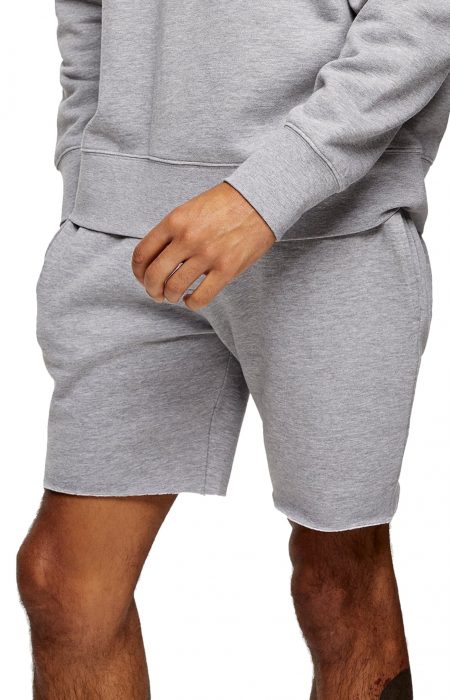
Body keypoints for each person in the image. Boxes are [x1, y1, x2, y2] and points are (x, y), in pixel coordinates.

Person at [16, 0, 449, 697]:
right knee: (63, 583)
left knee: (337, 582)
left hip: (335, 229)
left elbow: (421, 16)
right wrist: (89, 164)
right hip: (126, 230)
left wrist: (264, 192)